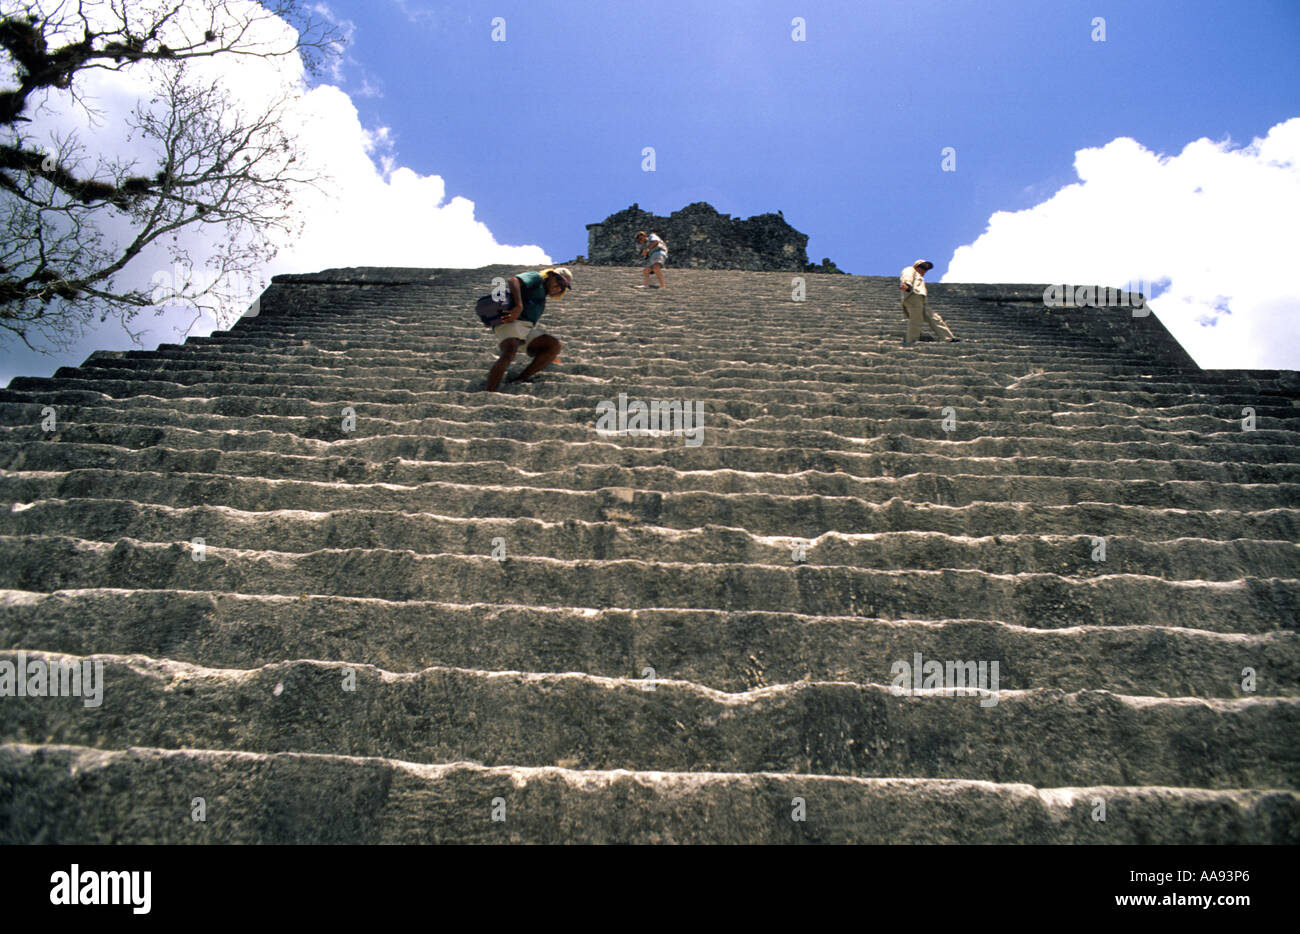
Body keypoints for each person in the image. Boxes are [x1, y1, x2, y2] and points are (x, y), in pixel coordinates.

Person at [484, 267, 572, 391]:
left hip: (525, 328)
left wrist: (548, 355)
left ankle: (518, 380)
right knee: (509, 352)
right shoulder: (536, 278)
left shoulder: (542, 296)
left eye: (564, 286)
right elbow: (513, 280)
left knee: (553, 346)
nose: (559, 286)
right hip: (512, 321)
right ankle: (489, 391)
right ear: (550, 275)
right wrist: (519, 306)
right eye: (559, 281)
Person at [899, 259, 960, 345]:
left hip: (921, 299)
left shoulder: (920, 276)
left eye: (926, 269)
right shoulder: (911, 269)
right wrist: (907, 284)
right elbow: (907, 276)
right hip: (913, 296)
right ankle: (911, 341)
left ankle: (949, 338)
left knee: (935, 318)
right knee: (916, 319)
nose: (924, 270)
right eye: (922, 267)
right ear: (916, 266)